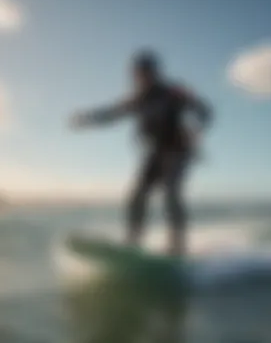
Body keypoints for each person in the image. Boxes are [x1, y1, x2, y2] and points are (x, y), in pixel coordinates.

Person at [69, 50, 213, 256]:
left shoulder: (174, 92)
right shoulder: (138, 99)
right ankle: (134, 241)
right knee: (137, 195)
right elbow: (110, 114)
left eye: (144, 73)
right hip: (156, 152)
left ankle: (177, 246)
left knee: (171, 194)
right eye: (137, 74)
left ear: (154, 73)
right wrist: (86, 119)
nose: (140, 78)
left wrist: (195, 131)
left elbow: (206, 112)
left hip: (178, 150)